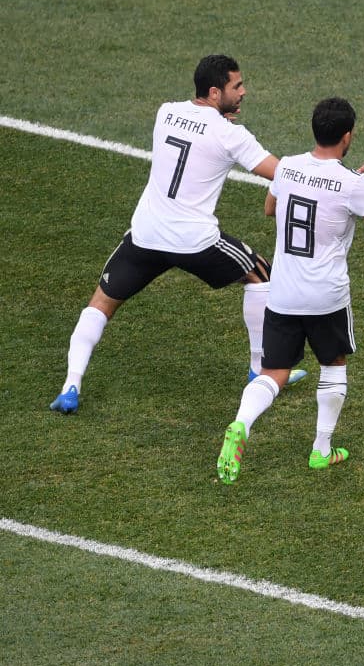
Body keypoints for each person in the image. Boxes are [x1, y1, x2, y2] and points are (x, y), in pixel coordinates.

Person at [49, 54, 306, 415]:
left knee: (101, 304)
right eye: (237, 86)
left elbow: (194, 128)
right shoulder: (231, 135)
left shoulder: (165, 111)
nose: (244, 91)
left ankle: (70, 386)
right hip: (193, 241)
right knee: (259, 272)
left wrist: (218, 118)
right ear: (215, 92)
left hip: (146, 235)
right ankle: (258, 371)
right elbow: (284, 175)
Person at [217, 96, 364, 484]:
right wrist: (359, 194)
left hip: (283, 291)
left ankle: (240, 425)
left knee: (273, 371)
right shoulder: (352, 183)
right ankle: (320, 449)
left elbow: (269, 209)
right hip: (326, 295)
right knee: (333, 365)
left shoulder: (288, 167)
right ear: (347, 136)